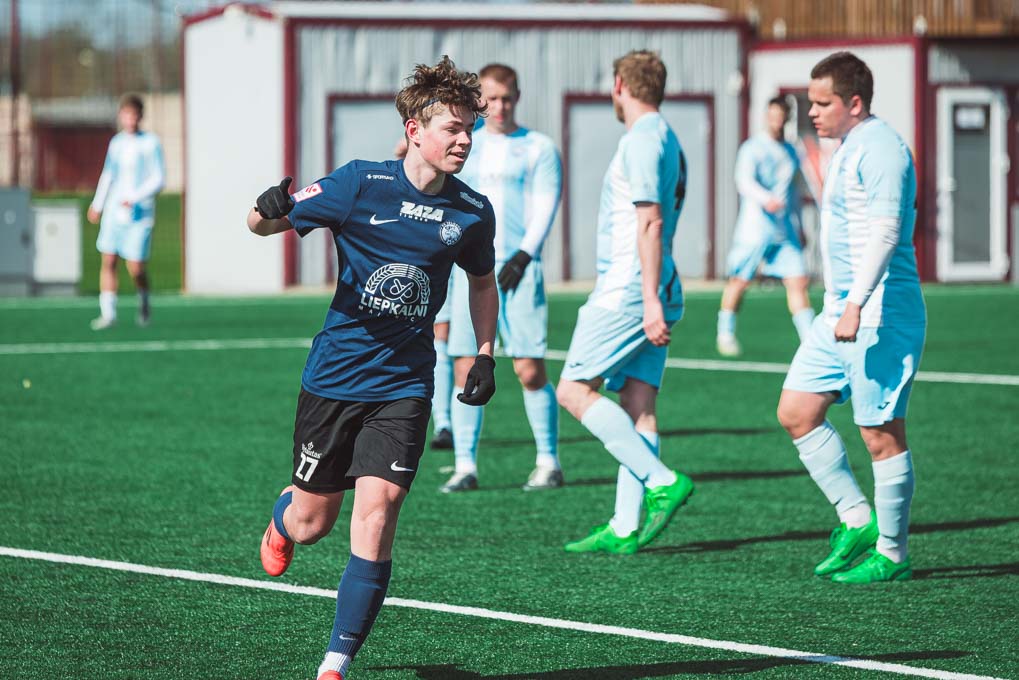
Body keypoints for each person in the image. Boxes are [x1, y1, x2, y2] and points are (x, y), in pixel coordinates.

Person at [248, 57, 497, 680]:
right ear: (415, 130)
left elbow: (482, 282)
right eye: (452, 129)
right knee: (313, 523)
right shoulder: (360, 183)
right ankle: (282, 521)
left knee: (378, 510)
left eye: (469, 130)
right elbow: (262, 225)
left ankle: (335, 663)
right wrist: (267, 206)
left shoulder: (472, 210)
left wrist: (486, 353)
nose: (464, 141)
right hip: (334, 378)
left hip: (405, 383)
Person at [777, 51, 926, 584]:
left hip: (879, 313)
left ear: (855, 103)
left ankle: (892, 554)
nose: (812, 113)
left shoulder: (882, 147)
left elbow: (886, 231)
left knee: (880, 433)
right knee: (796, 411)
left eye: (823, 103)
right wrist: (841, 305)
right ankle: (857, 518)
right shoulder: (847, 146)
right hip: (839, 312)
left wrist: (857, 304)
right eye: (810, 103)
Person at [555, 51, 694, 554]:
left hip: (630, 290)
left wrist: (649, 300)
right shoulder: (668, 137)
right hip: (653, 285)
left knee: (573, 391)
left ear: (620, 85)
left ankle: (661, 481)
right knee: (639, 404)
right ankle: (624, 526)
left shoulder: (641, 140)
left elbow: (650, 222)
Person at [440, 63, 564, 493]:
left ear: (518, 97)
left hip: (518, 271)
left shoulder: (538, 147)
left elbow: (546, 203)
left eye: (506, 98)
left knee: (528, 368)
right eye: (491, 99)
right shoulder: (465, 144)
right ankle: (464, 466)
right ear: (479, 101)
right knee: (465, 365)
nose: (499, 106)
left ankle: (548, 461)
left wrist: (525, 255)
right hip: (469, 270)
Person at [717, 97, 814, 356]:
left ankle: (809, 341)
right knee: (740, 281)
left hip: (784, 231)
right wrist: (765, 199)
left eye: (780, 117)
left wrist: (800, 226)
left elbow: (794, 193)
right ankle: (725, 333)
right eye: (772, 116)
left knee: (798, 281)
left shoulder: (792, 151)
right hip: (755, 230)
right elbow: (743, 181)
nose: (776, 121)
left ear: (787, 118)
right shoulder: (752, 148)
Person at [395, 134, 455, 451]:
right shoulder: (431, 137)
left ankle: (447, 423)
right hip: (432, 248)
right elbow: (402, 161)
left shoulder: (472, 144)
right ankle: (443, 422)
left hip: (467, 243)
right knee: (439, 332)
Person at [87, 94, 165, 330]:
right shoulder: (117, 143)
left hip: (140, 214)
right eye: (126, 114)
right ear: (121, 116)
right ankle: (108, 314)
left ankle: (143, 301)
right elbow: (108, 175)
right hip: (114, 212)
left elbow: (159, 178)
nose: (130, 119)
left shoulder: (151, 143)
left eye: (134, 114)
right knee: (109, 259)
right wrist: (98, 204)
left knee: (135, 267)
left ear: (140, 116)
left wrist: (135, 198)